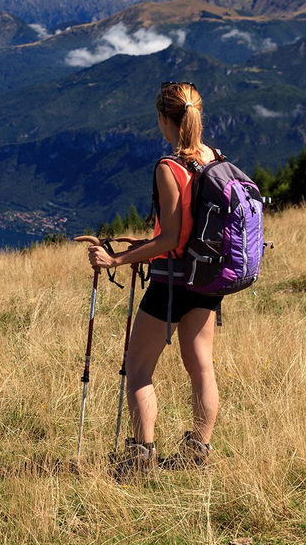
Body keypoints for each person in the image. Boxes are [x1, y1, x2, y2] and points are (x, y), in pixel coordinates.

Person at [85, 81, 220, 476]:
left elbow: (171, 238)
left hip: (172, 281)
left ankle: (142, 458)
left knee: (139, 367)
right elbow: (189, 230)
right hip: (207, 276)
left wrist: (117, 259)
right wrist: (142, 243)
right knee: (202, 367)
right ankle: (198, 452)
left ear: (164, 118)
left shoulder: (170, 166)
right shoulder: (213, 158)